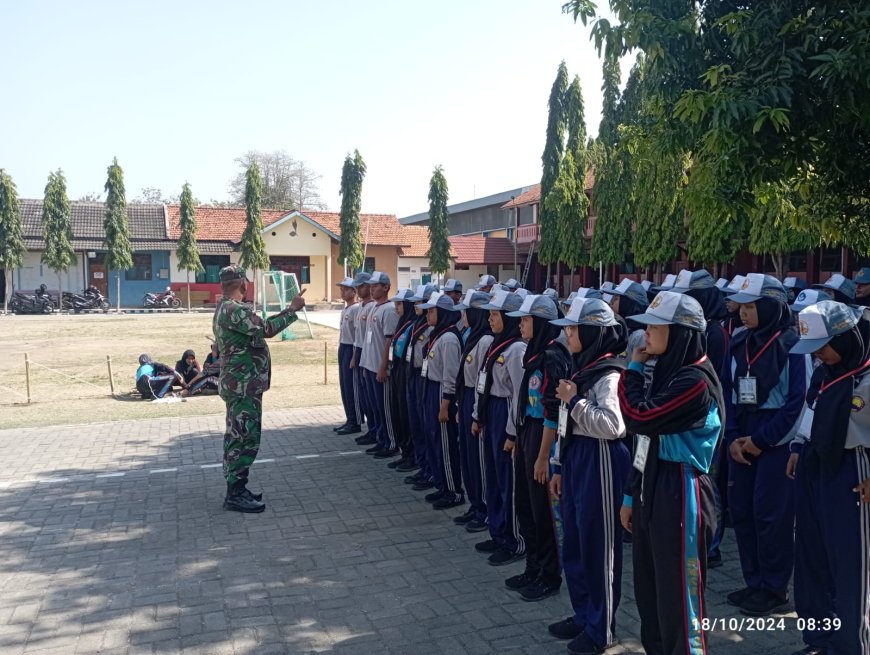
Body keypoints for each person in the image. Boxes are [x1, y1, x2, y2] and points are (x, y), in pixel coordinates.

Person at [618, 290, 724, 655]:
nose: (646, 334)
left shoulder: (695, 381)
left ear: (679, 332)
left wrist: (631, 368)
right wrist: (631, 495)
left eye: (655, 327)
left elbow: (638, 418)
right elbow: (644, 443)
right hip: (654, 482)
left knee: (680, 600)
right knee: (651, 596)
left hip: (682, 490)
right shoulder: (669, 372)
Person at [723, 273, 809, 616]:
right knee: (742, 511)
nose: (742, 313)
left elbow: (797, 402)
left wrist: (761, 441)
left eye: (750, 306)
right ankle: (754, 581)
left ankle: (775, 589)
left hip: (774, 439)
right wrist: (732, 437)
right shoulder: (739, 341)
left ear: (771, 306)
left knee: (770, 516)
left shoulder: (793, 344)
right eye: (740, 306)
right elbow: (728, 391)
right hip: (742, 432)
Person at [788, 300, 870, 655]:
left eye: (822, 346)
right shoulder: (825, 373)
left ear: (846, 338)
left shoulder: (865, 377)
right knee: (810, 559)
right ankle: (818, 639)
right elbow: (811, 408)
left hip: (854, 470)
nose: (818, 355)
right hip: (816, 464)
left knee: (851, 567)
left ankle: (854, 644)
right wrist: (797, 446)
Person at [548, 297, 629, 655]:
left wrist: (575, 400)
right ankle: (583, 614)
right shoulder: (583, 368)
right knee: (576, 542)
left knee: (600, 547)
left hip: (600, 458)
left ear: (593, 332)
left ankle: (602, 629)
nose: (567, 334)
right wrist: (559, 466)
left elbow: (613, 426)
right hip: (578, 457)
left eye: (573, 328)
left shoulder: (609, 374)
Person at [213, 265, 305, 513]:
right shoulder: (234, 310)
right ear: (243, 284)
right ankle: (235, 492)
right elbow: (266, 329)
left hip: (241, 384)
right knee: (245, 437)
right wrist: (292, 310)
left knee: (238, 435)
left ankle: (237, 487)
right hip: (243, 386)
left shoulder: (225, 308)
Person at [505, 294, 571, 602]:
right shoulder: (533, 352)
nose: (520, 324)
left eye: (526, 319)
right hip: (528, 432)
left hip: (545, 436)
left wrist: (544, 456)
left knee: (544, 509)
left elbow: (553, 410)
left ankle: (549, 574)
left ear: (542, 323)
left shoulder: (553, 355)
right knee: (526, 504)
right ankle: (532, 565)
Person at [473, 290, 527, 566]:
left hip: (505, 413)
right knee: (492, 476)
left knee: (508, 479)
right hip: (491, 412)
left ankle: (515, 539)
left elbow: (518, 394)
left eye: (495, 315)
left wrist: (511, 432)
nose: (490, 319)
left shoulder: (516, 349)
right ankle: (497, 531)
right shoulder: (496, 344)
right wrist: (477, 415)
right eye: (490, 314)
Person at [418, 292, 465, 509]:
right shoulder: (436, 334)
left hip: (441, 393)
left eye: (432, 311)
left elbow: (450, 375)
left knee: (444, 442)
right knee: (433, 440)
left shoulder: (449, 339)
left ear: (444, 313)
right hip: (430, 388)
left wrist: (446, 404)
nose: (428, 314)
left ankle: (453, 490)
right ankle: (441, 485)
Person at [452, 289, 493, 533]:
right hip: (466, 397)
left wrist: (476, 412)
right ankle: (475, 504)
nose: (463, 317)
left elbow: (482, 380)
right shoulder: (472, 336)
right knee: (467, 455)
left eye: (467, 312)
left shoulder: (485, 340)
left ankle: (484, 509)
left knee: (478, 459)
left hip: (476, 399)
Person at [360, 272, 400, 459]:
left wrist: (383, 366)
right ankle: (380, 438)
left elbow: (389, 341)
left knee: (384, 408)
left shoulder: (389, 309)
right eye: (371, 285)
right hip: (369, 365)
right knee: (375, 407)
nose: (372, 288)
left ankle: (391, 442)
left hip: (379, 367)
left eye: (376, 285)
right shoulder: (375, 308)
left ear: (385, 287)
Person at [405, 284, 439, 491]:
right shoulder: (417, 323)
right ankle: (424, 466)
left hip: (425, 377)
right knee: (417, 423)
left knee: (428, 426)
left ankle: (431, 469)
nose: (417, 305)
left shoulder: (433, 328)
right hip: (415, 374)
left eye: (422, 302)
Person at [387, 287, 418, 471]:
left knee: (406, 416)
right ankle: (404, 452)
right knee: (397, 413)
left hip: (406, 374)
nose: (396, 308)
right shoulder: (402, 324)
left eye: (399, 304)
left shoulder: (413, 325)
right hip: (397, 371)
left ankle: (412, 455)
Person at [335, 277, 362, 435]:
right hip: (343, 347)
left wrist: (353, 356)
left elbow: (357, 334)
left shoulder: (356, 308)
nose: (342, 291)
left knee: (352, 386)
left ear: (354, 291)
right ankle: (349, 418)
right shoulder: (345, 309)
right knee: (344, 386)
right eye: (341, 288)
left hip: (351, 348)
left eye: (346, 289)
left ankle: (356, 420)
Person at [351, 273, 374, 445]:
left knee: (371, 398)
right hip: (359, 351)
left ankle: (376, 432)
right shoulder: (361, 307)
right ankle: (372, 430)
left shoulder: (372, 306)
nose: (358, 290)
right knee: (364, 395)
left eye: (361, 286)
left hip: (367, 353)